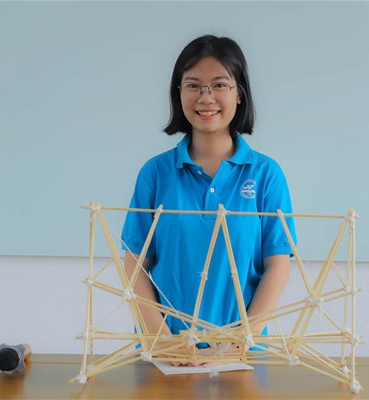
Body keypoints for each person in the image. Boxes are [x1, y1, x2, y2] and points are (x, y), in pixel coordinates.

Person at [121, 35, 296, 363]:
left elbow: (278, 267)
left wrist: (239, 343)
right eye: (193, 85)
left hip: (241, 358)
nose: (206, 97)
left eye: (219, 85)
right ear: (178, 93)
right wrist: (162, 340)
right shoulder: (155, 173)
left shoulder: (265, 174)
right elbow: (134, 264)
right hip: (166, 355)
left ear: (239, 93)